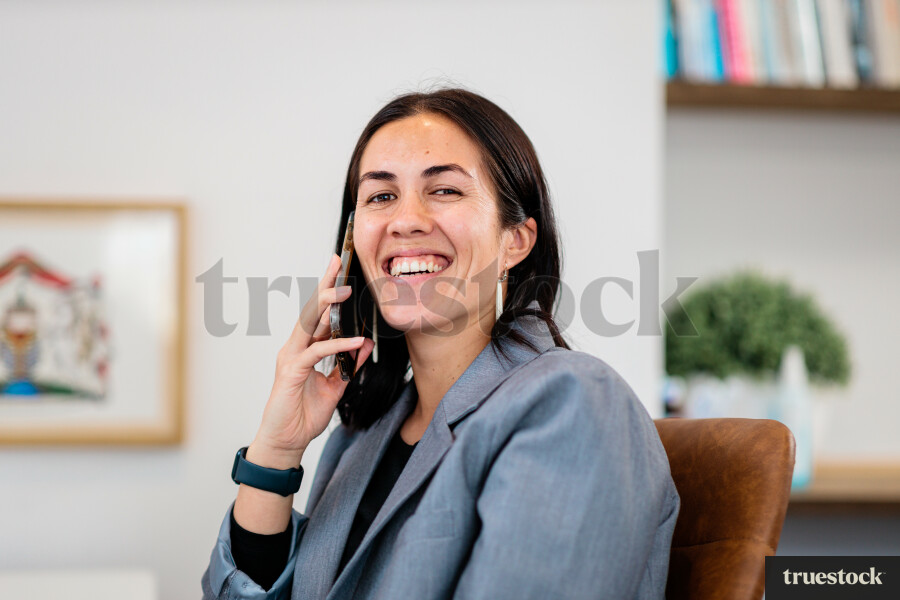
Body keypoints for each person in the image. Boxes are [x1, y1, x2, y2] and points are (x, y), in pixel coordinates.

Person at [201, 87, 679, 600]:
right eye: (381, 196)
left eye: (445, 190)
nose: (405, 220)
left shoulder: (574, 403)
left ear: (515, 239)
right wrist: (276, 454)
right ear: (352, 240)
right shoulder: (360, 435)